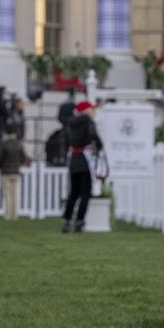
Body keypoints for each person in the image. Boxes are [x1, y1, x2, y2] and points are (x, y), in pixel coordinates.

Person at [61, 99, 104, 234]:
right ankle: (79, 221)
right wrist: (99, 145)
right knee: (85, 194)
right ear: (87, 111)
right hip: (85, 161)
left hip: (74, 160)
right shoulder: (88, 122)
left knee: (73, 193)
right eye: (93, 109)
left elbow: (66, 142)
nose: (95, 112)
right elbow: (93, 135)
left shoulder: (70, 123)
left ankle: (66, 220)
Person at [0, 126, 28, 220]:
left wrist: (0, 166)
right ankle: (15, 214)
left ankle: (8, 215)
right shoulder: (18, 144)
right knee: (15, 194)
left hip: (6, 172)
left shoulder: (4, 145)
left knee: (7, 195)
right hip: (16, 172)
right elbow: (23, 158)